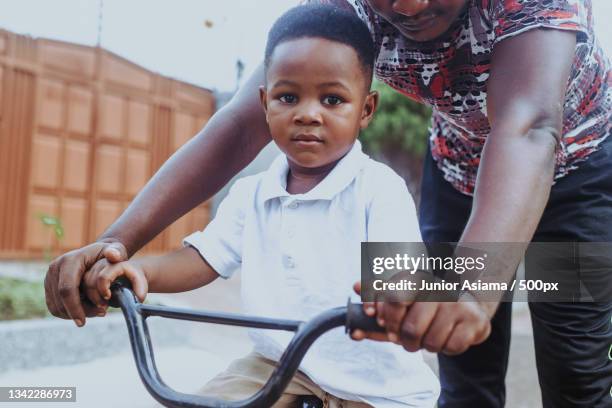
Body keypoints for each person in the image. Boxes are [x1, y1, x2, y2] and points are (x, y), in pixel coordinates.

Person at [45, 0, 611, 407]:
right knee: (461, 368)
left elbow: (531, 126)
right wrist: (115, 244)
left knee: (574, 370)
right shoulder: (338, 12)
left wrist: (477, 284)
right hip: (460, 173)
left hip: (576, 175)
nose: (408, 5)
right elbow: (242, 125)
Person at [82, 5, 440, 407]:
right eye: (288, 97)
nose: (308, 114)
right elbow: (204, 258)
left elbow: (404, 272)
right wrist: (138, 271)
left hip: (376, 387)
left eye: (332, 99)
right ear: (265, 103)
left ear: (366, 110)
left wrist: (397, 297)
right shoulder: (251, 193)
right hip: (278, 366)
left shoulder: (378, 189)